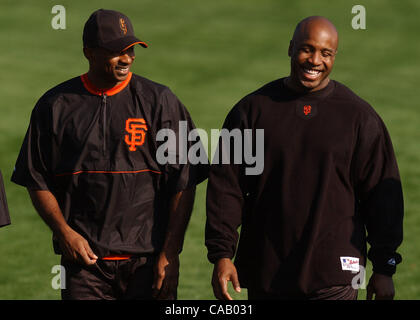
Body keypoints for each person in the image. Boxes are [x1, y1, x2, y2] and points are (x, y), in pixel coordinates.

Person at [12, 9, 207, 300]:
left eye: (130, 50)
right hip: (84, 267)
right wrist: (64, 233)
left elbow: (184, 180)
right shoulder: (56, 106)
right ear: (89, 52)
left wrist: (171, 252)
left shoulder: (160, 102)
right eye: (117, 51)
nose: (127, 58)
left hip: (147, 263)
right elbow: (36, 177)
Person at [205, 16, 404, 300]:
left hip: (335, 273)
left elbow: (383, 198)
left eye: (326, 53)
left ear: (335, 56)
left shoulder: (358, 117)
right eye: (307, 49)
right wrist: (222, 254)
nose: (315, 60)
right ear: (290, 48)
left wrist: (384, 267)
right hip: (268, 270)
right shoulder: (251, 111)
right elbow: (226, 188)